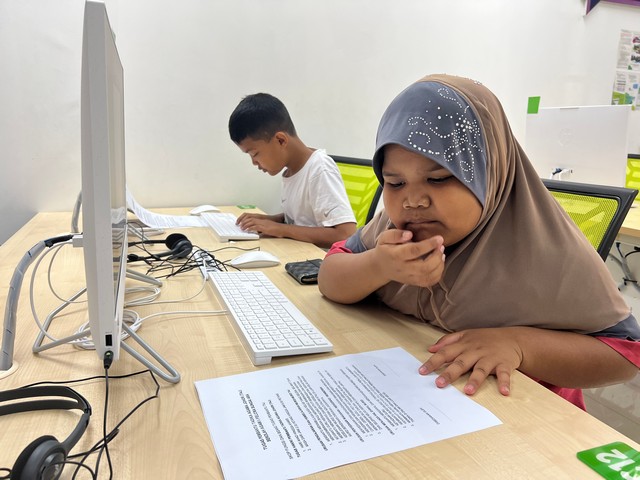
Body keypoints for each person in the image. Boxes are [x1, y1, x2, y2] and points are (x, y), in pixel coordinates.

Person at [317, 74, 640, 409]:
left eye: (438, 178)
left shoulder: (547, 250)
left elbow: (624, 354)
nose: (413, 201)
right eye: (395, 183)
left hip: (522, 418)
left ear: (489, 173)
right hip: (416, 399)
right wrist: (378, 265)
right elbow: (330, 277)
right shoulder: (390, 228)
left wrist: (518, 345)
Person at [228, 93, 356, 249]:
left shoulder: (319, 169)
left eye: (254, 154)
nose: (254, 162)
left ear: (281, 140)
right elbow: (303, 219)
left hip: (320, 260)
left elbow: (345, 234)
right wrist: (271, 220)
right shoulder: (291, 171)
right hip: (298, 253)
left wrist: (280, 229)